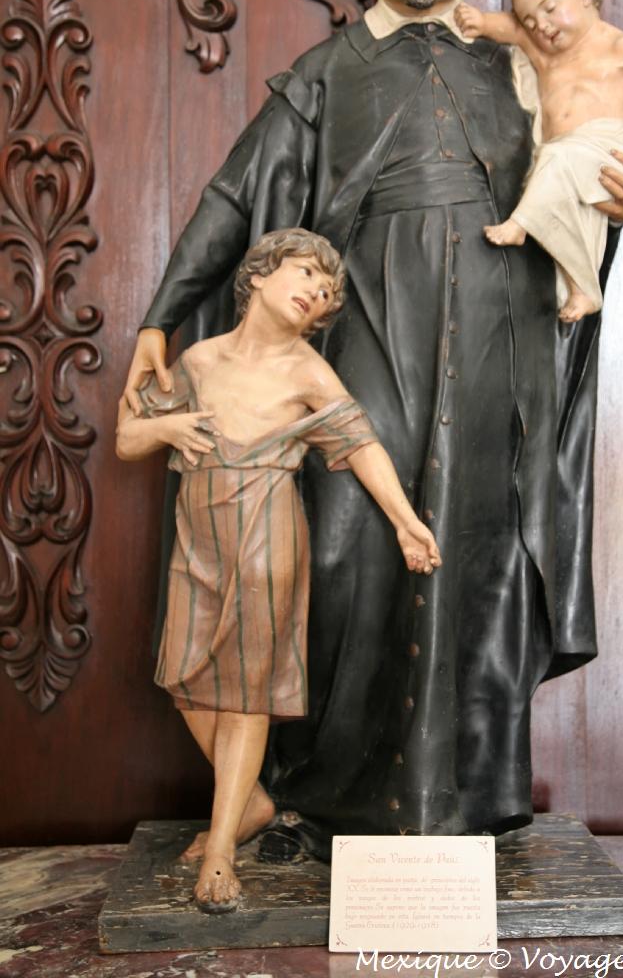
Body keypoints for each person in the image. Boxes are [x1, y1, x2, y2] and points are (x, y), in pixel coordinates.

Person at [123, 0, 623, 860]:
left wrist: (615, 206)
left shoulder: (522, 69)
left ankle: (461, 797)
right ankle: (323, 792)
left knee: (482, 550)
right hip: (362, 322)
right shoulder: (329, 71)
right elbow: (235, 197)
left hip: (499, 335)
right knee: (342, 547)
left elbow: (587, 172)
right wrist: (160, 317)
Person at [116, 229, 440, 911]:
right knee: (184, 681)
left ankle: (222, 850)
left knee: (245, 694)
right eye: (304, 274)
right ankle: (253, 804)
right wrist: (168, 428)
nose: (315, 293)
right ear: (259, 276)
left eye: (326, 292)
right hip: (197, 540)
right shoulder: (199, 360)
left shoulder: (308, 372)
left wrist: (405, 520)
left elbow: (362, 446)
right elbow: (126, 438)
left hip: (267, 534)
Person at [456, 0, 623, 321]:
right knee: (568, 227)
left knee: (556, 160)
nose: (540, 26)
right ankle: (582, 288)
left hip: (606, 150)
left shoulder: (619, 47)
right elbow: (511, 29)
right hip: (565, 160)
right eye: (530, 19)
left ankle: (519, 225)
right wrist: (483, 22)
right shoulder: (543, 52)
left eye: (550, 9)